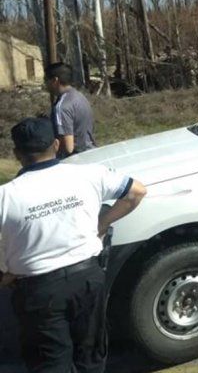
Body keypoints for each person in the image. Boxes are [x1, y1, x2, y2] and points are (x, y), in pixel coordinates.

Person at [0, 117, 146, 372]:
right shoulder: (88, 173)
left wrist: (7, 271)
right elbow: (137, 191)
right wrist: (101, 224)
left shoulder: (6, 196)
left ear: (17, 154)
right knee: (90, 357)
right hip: (88, 279)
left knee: (51, 363)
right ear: (56, 145)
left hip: (39, 292)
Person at [45, 62, 97, 158]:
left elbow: (68, 147)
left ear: (55, 80)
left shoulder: (62, 107)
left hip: (75, 160)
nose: (45, 83)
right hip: (91, 152)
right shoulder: (79, 97)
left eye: (46, 80)